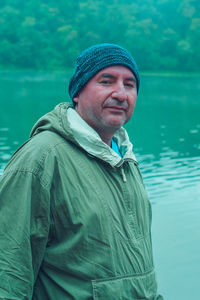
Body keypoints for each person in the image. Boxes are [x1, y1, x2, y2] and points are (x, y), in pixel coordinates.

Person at [0, 43, 163, 299]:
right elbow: (8, 275)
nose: (120, 94)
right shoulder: (41, 158)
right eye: (106, 81)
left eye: (129, 84)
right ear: (77, 92)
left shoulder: (126, 159)